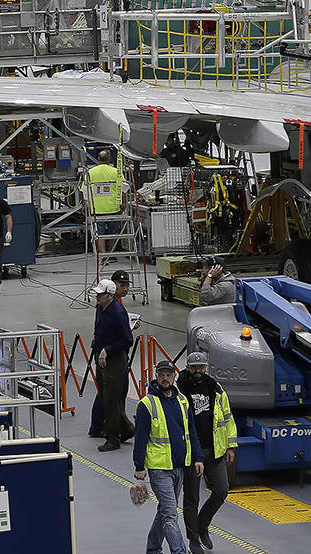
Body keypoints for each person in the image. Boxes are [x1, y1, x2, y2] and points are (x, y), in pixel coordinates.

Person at [133, 360, 203, 554]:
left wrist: (197, 457)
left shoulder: (182, 401)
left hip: (180, 467)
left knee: (164, 510)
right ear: (156, 376)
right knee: (171, 514)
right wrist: (139, 466)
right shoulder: (146, 404)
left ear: (174, 376)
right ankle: (179, 551)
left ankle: (153, 547)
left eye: (168, 375)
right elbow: (140, 438)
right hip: (159, 469)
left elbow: (192, 432)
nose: (165, 378)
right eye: (161, 375)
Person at [177, 352, 237, 553]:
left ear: (206, 367)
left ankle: (202, 526)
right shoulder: (179, 389)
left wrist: (230, 445)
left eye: (201, 367)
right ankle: (193, 539)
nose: (198, 371)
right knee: (191, 498)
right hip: (192, 454)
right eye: (194, 368)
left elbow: (227, 418)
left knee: (221, 491)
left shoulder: (215, 388)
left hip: (215, 450)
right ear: (187, 367)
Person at [89, 279, 134, 451]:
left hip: (114, 360)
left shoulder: (117, 313)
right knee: (106, 396)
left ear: (109, 295)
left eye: (100, 294)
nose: (97, 296)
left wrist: (107, 349)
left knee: (111, 399)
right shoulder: (100, 308)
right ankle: (127, 429)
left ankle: (113, 438)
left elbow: (127, 340)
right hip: (101, 358)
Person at [84, 150, 125, 260]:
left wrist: (85, 206)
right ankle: (111, 254)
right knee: (114, 233)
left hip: (97, 209)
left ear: (98, 158)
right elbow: (124, 189)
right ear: (109, 159)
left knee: (99, 234)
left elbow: (84, 191)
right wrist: (124, 203)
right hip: (114, 207)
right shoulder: (116, 172)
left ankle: (103, 255)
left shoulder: (90, 173)